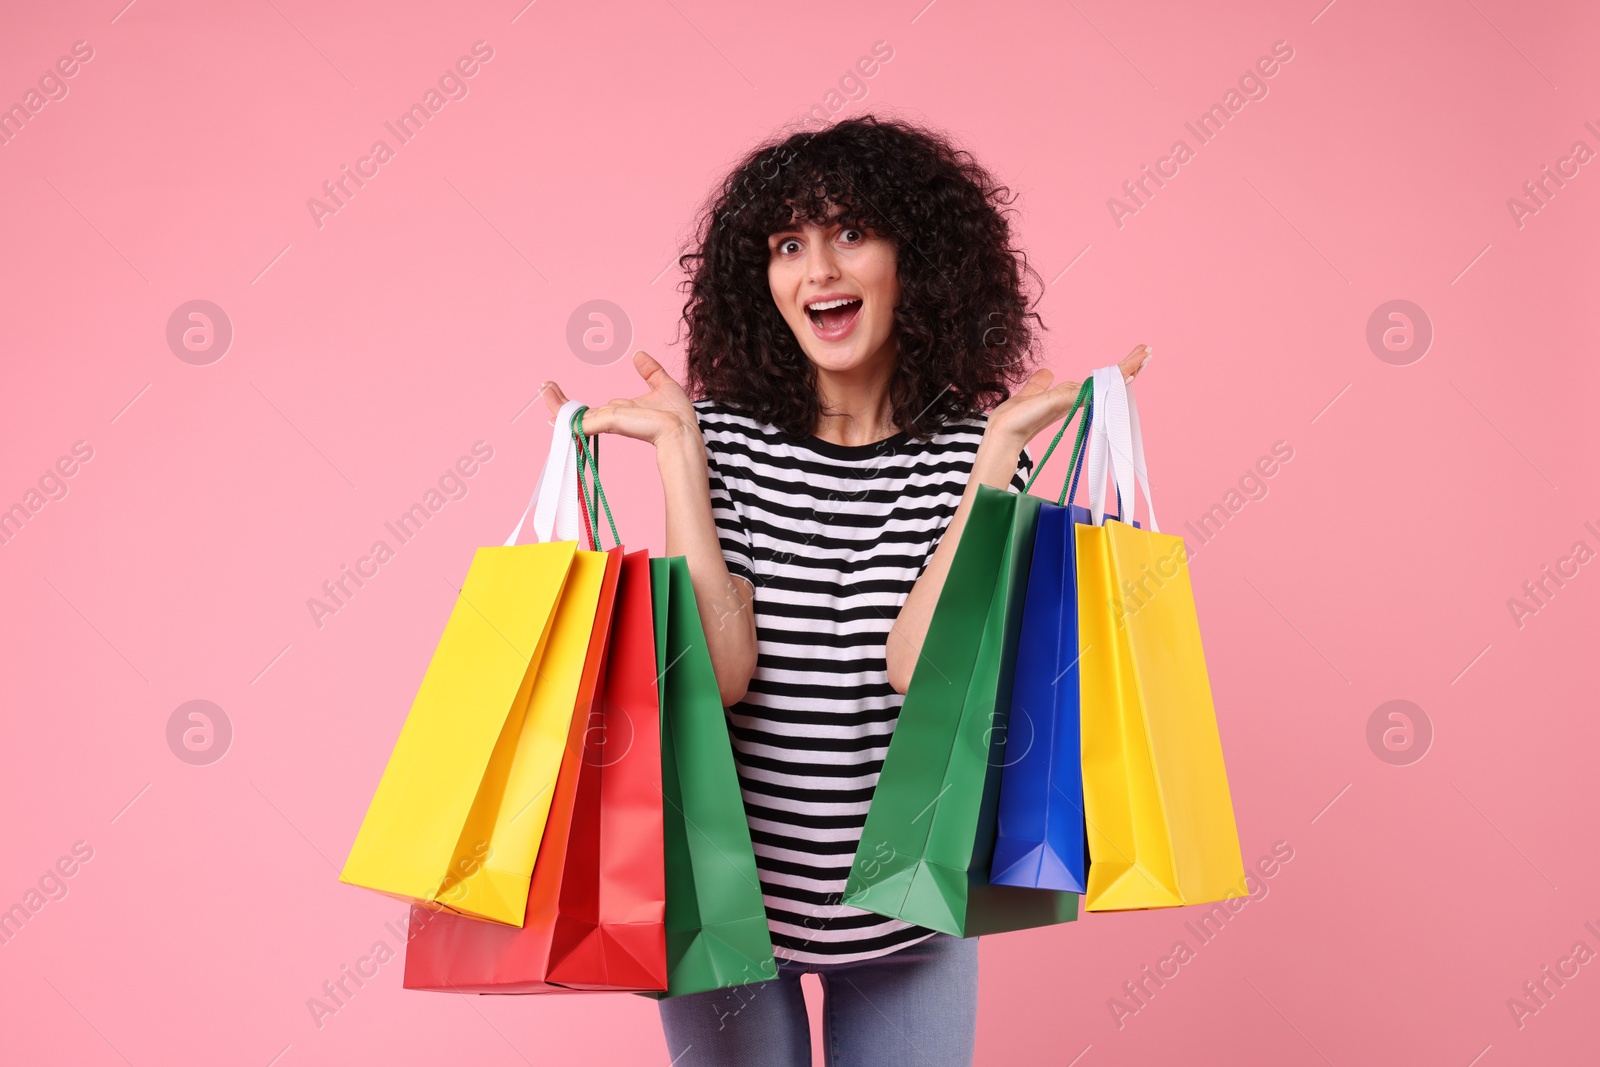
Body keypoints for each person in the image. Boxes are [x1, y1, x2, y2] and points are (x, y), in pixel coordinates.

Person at [543, 114, 1149, 1067]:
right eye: (789, 243)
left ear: (920, 260)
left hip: (909, 916)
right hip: (725, 918)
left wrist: (994, 460)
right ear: (759, 279)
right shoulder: (722, 443)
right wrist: (680, 464)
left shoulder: (972, 456)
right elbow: (722, 673)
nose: (817, 269)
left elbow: (920, 667)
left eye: (850, 233)